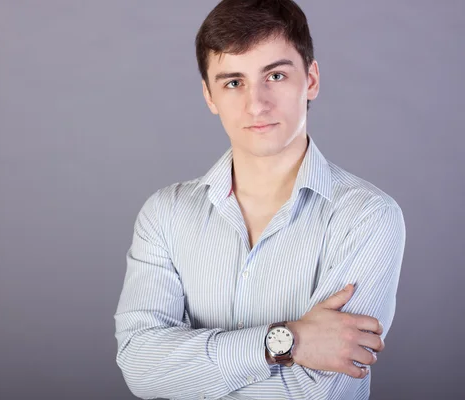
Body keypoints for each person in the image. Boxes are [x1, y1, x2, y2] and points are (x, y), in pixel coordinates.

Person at [114, 0, 406, 399]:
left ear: (312, 79)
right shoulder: (165, 214)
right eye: (233, 82)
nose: (256, 104)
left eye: (276, 75)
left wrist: (190, 372)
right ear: (209, 96)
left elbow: (320, 391)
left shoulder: (368, 217)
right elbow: (141, 365)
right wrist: (288, 342)